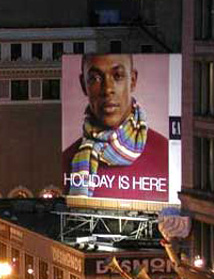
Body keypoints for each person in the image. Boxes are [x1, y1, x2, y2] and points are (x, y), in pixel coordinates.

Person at [62, 54, 169, 201]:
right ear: (83, 84)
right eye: (95, 78)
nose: (107, 89)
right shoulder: (67, 159)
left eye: (117, 76)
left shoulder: (165, 154)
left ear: (132, 80)